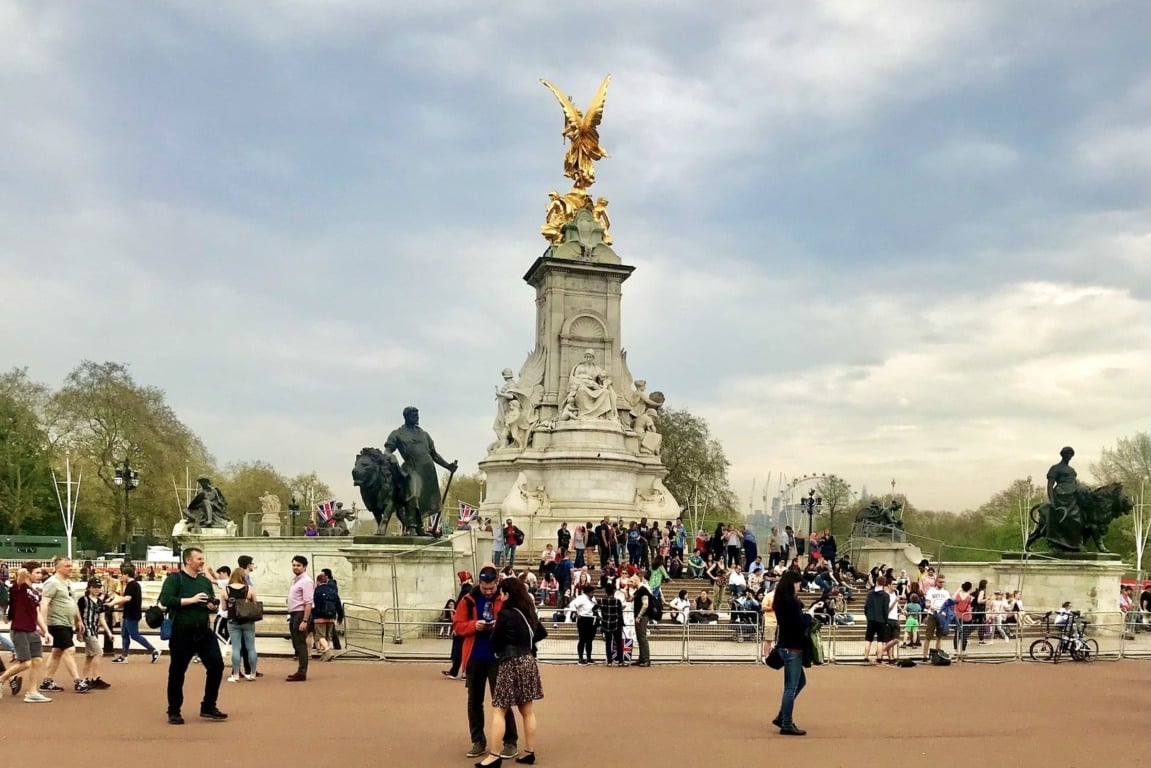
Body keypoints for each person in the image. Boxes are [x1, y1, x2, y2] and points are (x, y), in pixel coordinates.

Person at [475, 576, 547, 767]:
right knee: (527, 711)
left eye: (501, 593)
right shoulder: (528, 611)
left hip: (510, 662)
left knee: (499, 710)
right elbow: (542, 633)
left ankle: (494, 755)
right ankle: (529, 752)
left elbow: (494, 641)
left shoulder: (506, 614)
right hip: (528, 660)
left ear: (506, 594)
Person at [454, 565, 519, 761]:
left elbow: (514, 622)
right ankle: (478, 740)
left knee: (502, 701)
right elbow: (457, 625)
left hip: (498, 657)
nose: (489, 592)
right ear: (479, 584)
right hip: (475, 655)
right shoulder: (468, 600)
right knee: (474, 701)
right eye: (485, 589)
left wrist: (497, 626)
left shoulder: (506, 598)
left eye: (491, 588)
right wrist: (474, 625)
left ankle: (510, 741)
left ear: (497, 582)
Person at [159, 547, 226, 725]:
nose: (202, 561)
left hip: (203, 630)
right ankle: (174, 710)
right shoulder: (175, 579)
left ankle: (208, 706)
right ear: (188, 560)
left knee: (217, 666)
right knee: (177, 672)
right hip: (182, 632)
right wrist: (191, 600)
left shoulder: (204, 581)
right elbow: (165, 600)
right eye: (199, 559)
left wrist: (210, 606)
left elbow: (209, 600)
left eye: (202, 558)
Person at [385, 406, 460, 534]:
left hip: (427, 471)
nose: (417, 417)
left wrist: (448, 466)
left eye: (417, 414)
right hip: (411, 468)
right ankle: (412, 526)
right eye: (414, 415)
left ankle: (419, 527)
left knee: (424, 500)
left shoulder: (424, 435)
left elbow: (434, 454)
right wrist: (391, 458)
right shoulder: (397, 434)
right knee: (413, 495)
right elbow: (387, 450)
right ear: (406, 416)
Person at [0, 562, 50, 702]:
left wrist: (45, 630)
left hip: (32, 630)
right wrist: (25, 570)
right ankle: (2, 679)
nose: (40, 576)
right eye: (37, 572)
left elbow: (37, 613)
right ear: (29, 573)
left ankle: (32, 692)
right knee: (25, 663)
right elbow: (21, 575)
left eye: (40, 573)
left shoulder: (35, 592)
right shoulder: (19, 587)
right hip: (20, 629)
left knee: (37, 661)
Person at [39, 557, 89, 694]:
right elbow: (44, 604)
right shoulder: (51, 583)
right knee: (69, 650)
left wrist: (79, 620)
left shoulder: (69, 583)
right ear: (58, 567)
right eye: (67, 566)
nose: (71, 568)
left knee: (57, 651)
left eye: (71, 565)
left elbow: (72, 602)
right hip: (56, 622)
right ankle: (78, 681)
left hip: (67, 621)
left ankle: (47, 680)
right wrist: (43, 625)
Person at [771, 569, 809, 735]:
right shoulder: (792, 603)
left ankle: (782, 716)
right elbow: (801, 624)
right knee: (791, 687)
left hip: (785, 644)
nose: (800, 586)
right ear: (793, 583)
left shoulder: (780, 601)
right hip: (793, 647)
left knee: (799, 682)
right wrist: (809, 616)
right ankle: (786, 722)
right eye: (798, 583)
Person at [109, 565, 160, 664]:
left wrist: (112, 603)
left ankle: (153, 650)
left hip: (132, 614)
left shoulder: (132, 585)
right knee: (124, 634)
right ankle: (124, 656)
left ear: (126, 575)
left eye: (122, 574)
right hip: (128, 613)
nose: (121, 577)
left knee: (134, 635)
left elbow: (127, 598)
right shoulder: (130, 585)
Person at [223, 569, 258, 682]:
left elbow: (224, 608)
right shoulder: (249, 589)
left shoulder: (226, 590)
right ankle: (252, 673)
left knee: (236, 648)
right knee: (251, 648)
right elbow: (255, 604)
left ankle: (236, 674)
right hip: (247, 621)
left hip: (233, 621)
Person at [76, 578, 112, 690]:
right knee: (99, 652)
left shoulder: (99, 602)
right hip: (87, 629)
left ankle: (85, 678)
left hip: (95, 629)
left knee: (90, 656)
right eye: (94, 587)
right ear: (89, 588)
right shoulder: (83, 600)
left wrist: (108, 632)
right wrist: (78, 630)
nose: (97, 589)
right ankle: (95, 678)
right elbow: (77, 616)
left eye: (98, 587)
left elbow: (102, 618)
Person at [286, 555, 314, 682]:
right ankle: (300, 670)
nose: (295, 567)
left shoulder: (306, 581)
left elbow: (308, 602)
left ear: (304, 567)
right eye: (294, 565)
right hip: (294, 613)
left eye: (298, 565)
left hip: (300, 613)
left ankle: (302, 672)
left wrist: (305, 620)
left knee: (300, 643)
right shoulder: (296, 580)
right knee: (296, 643)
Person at [922, 574, 951, 662]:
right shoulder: (931, 591)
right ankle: (925, 655)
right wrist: (931, 606)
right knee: (928, 636)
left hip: (942, 616)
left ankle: (938, 654)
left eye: (943, 582)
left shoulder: (946, 593)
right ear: (936, 582)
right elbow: (927, 603)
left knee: (939, 636)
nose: (942, 583)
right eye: (940, 582)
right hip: (933, 614)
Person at [568, 584, 597, 664]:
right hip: (583, 618)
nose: (593, 594)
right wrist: (576, 613)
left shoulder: (593, 599)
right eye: (592, 593)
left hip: (591, 619)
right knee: (582, 639)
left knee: (590, 640)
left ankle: (589, 657)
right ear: (588, 592)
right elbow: (572, 604)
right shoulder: (581, 598)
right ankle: (580, 658)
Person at [598, 583, 625, 666]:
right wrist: (622, 623)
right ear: (613, 592)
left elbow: (594, 609)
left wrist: (600, 617)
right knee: (619, 643)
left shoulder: (601, 601)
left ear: (606, 592)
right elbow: (620, 614)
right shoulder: (617, 601)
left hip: (606, 624)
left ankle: (609, 661)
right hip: (616, 624)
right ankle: (620, 661)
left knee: (608, 643)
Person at [631, 574, 654, 667]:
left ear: (636, 581)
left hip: (642, 616)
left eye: (631, 581)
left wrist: (639, 616)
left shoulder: (643, 590)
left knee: (642, 638)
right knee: (639, 638)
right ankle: (641, 658)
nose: (630, 583)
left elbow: (645, 604)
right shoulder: (638, 590)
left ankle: (646, 659)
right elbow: (630, 598)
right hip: (639, 616)